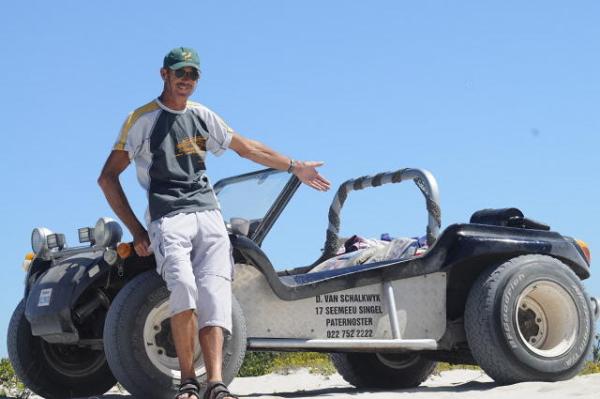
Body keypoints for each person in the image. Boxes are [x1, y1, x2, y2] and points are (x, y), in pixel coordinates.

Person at [98, 47, 330, 399]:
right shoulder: (141, 119)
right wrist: (137, 230)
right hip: (169, 219)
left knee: (215, 297)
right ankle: (188, 381)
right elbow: (108, 178)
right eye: (180, 73)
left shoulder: (203, 115)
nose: (186, 79)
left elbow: (247, 147)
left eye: (192, 74)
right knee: (184, 291)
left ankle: (216, 384)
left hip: (209, 216)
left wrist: (293, 165)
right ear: (164, 74)